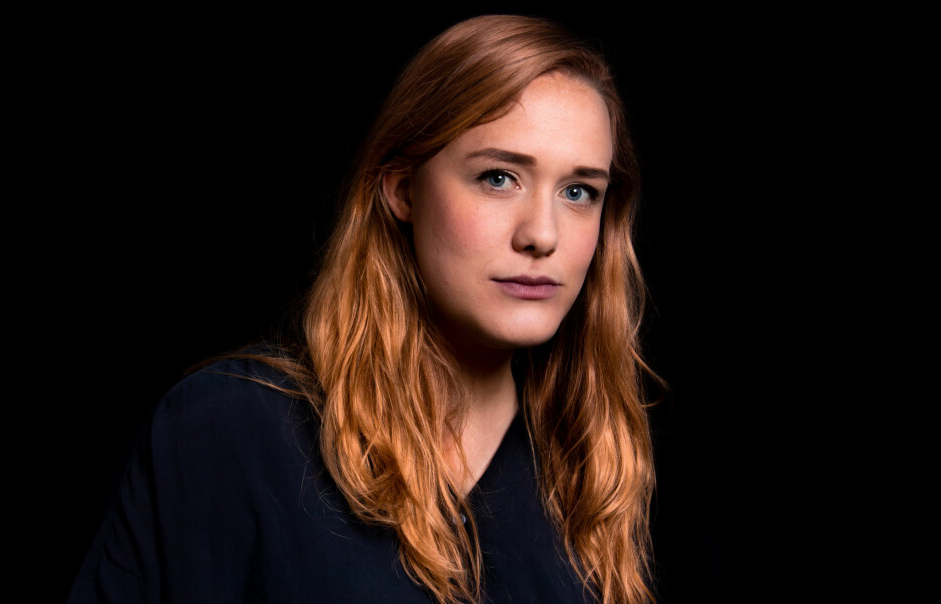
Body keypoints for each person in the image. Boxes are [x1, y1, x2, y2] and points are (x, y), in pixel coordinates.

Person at [69, 14, 658, 604]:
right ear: (402, 189)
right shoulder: (230, 431)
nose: (542, 235)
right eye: (498, 178)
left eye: (579, 192)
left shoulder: (593, 470)